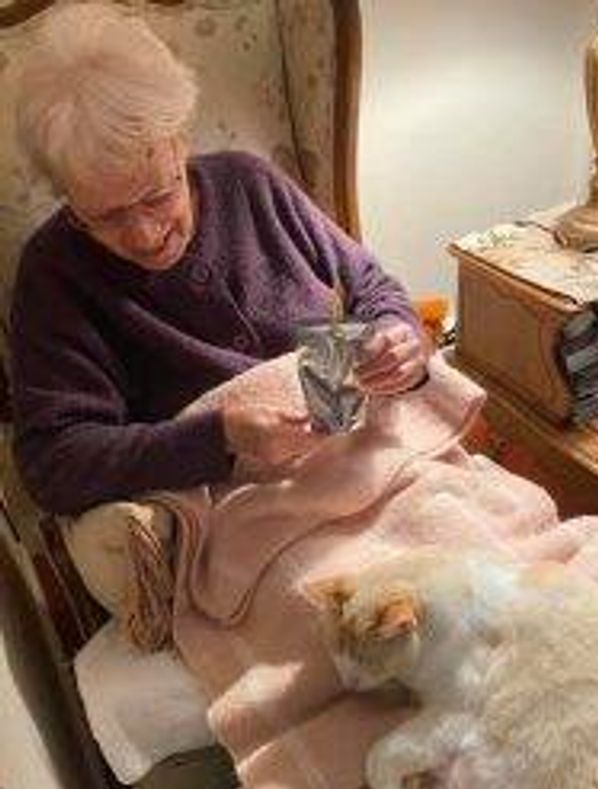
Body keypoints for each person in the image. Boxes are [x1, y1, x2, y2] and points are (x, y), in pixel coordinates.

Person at [9, 3, 428, 517]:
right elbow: (54, 464)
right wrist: (218, 438)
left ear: (180, 142)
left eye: (157, 196)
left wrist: (396, 334)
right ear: (68, 194)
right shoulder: (54, 272)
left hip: (361, 455)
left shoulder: (249, 182)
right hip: (238, 507)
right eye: (106, 216)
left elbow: (371, 287)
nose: (144, 235)